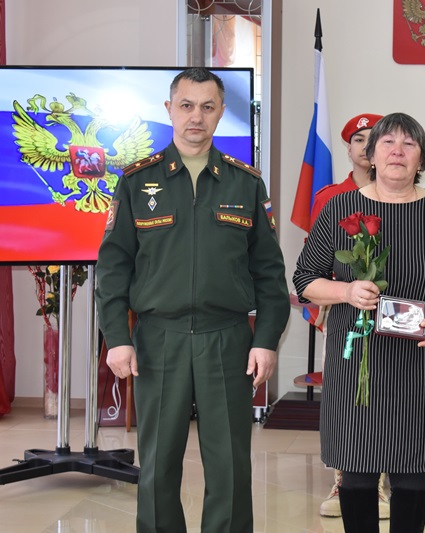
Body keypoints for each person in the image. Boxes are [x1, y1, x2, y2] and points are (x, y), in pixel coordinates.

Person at [96, 67, 290, 533]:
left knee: (229, 466)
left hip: (227, 340)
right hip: (158, 339)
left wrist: (265, 340)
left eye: (207, 107)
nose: (196, 117)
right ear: (169, 110)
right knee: (158, 464)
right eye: (186, 106)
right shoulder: (137, 181)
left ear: (221, 112)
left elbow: (269, 272)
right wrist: (117, 338)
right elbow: (114, 266)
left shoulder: (245, 183)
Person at [293, 113, 425, 532]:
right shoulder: (341, 208)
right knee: (356, 469)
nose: (398, 152)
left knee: (412, 471)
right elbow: (305, 280)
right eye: (387, 143)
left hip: (419, 357)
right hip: (358, 359)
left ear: (422, 158)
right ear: (370, 155)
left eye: (409, 144)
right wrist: (346, 292)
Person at [311, 113, 393, 520]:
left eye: (373, 138)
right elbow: (315, 261)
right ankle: (344, 477)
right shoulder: (331, 197)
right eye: (358, 139)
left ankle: (380, 480)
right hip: (344, 308)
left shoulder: (397, 192)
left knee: (386, 391)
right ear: (349, 148)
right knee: (346, 394)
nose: (365, 145)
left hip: (391, 309)